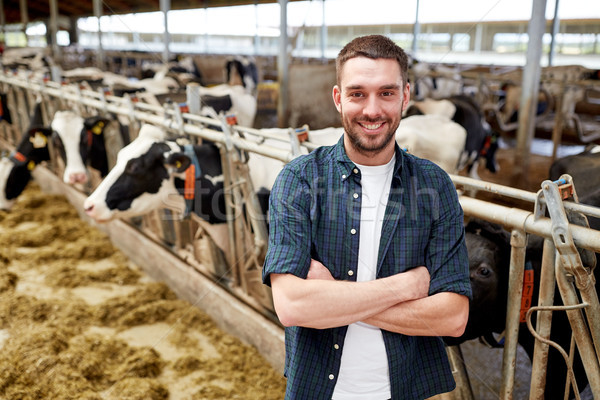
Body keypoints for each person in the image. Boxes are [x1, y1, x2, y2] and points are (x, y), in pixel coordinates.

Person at [262, 35, 471, 400]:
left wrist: (332, 300)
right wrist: (406, 287)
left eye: (386, 93)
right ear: (338, 98)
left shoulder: (435, 185)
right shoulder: (299, 179)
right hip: (318, 388)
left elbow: (452, 318)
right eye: (358, 93)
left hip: (405, 389)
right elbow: (293, 306)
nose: (372, 110)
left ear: (405, 97)